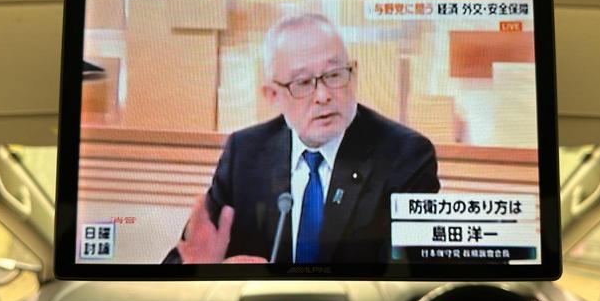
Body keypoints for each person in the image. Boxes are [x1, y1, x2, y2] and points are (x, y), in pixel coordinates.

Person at [163, 13, 439, 264]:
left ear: (353, 74)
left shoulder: (406, 155)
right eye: (303, 83)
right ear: (273, 95)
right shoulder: (244, 154)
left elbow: (411, 274)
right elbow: (184, 260)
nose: (323, 96)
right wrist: (207, 272)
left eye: (334, 75)